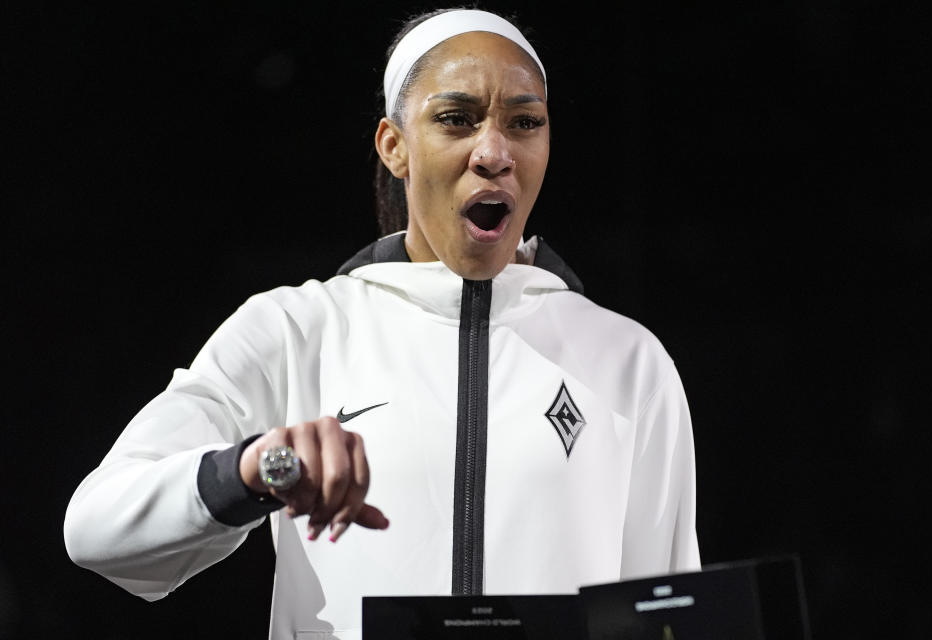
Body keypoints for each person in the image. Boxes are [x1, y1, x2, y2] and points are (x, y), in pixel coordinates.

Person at [64, 8, 699, 639]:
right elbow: (98, 527)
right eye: (456, 119)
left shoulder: (627, 360)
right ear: (394, 146)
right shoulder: (295, 330)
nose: (495, 152)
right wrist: (258, 470)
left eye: (524, 123)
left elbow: (664, 614)